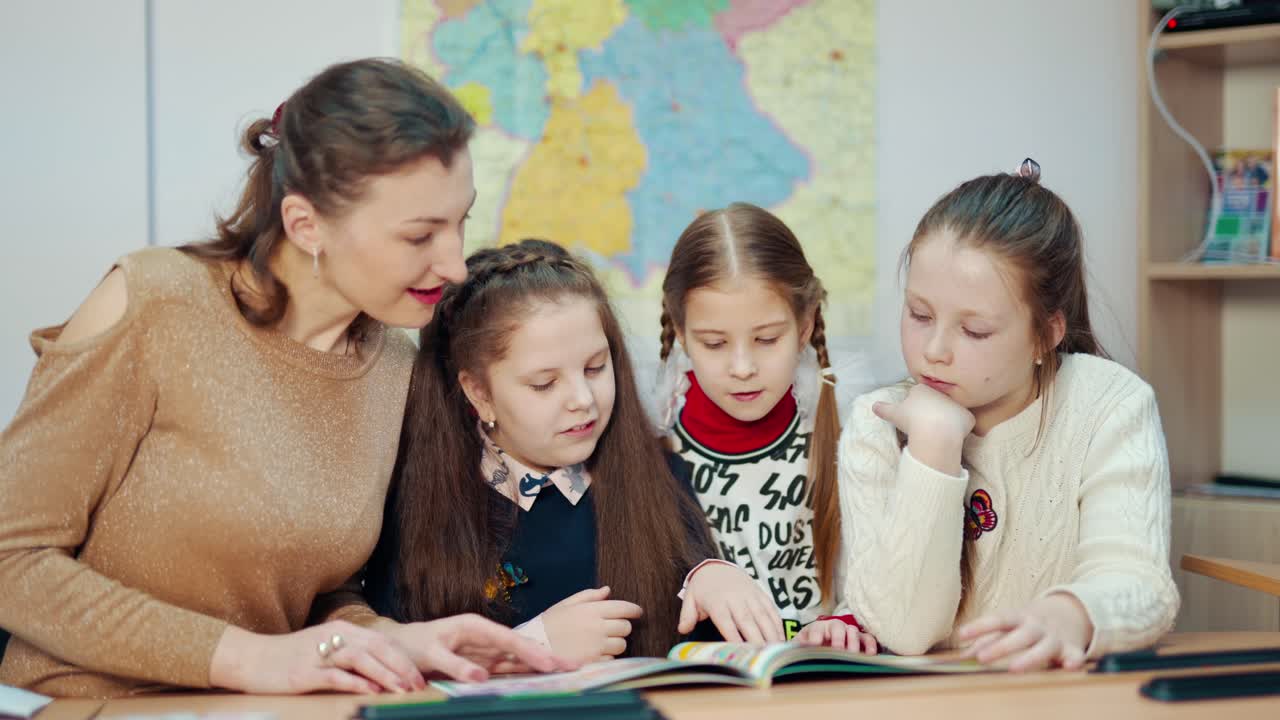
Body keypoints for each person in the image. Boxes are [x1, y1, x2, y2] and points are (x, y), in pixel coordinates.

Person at [0, 58, 566, 698]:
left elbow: (314, 595)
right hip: (85, 707)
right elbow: (11, 559)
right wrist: (245, 660)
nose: (455, 264)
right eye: (419, 235)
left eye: (460, 221)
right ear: (305, 225)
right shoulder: (155, 305)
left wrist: (391, 640)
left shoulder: (394, 368)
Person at [367, 239, 779, 664]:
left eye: (596, 368)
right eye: (545, 384)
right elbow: (392, 657)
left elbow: (694, 641)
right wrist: (528, 651)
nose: (583, 398)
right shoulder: (414, 505)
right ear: (479, 392)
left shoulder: (660, 472)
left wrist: (712, 575)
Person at [839, 159, 1179, 671]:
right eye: (919, 314)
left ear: (1047, 333)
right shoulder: (877, 421)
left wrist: (1071, 616)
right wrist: (933, 449)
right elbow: (905, 631)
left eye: (974, 331)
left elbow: (1141, 584)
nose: (934, 350)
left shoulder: (1110, 403)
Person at [655, 203, 875, 651]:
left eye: (766, 339)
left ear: (805, 323)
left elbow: (874, 574)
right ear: (680, 332)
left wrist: (844, 621)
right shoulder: (655, 445)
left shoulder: (849, 429)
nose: (742, 367)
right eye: (714, 343)